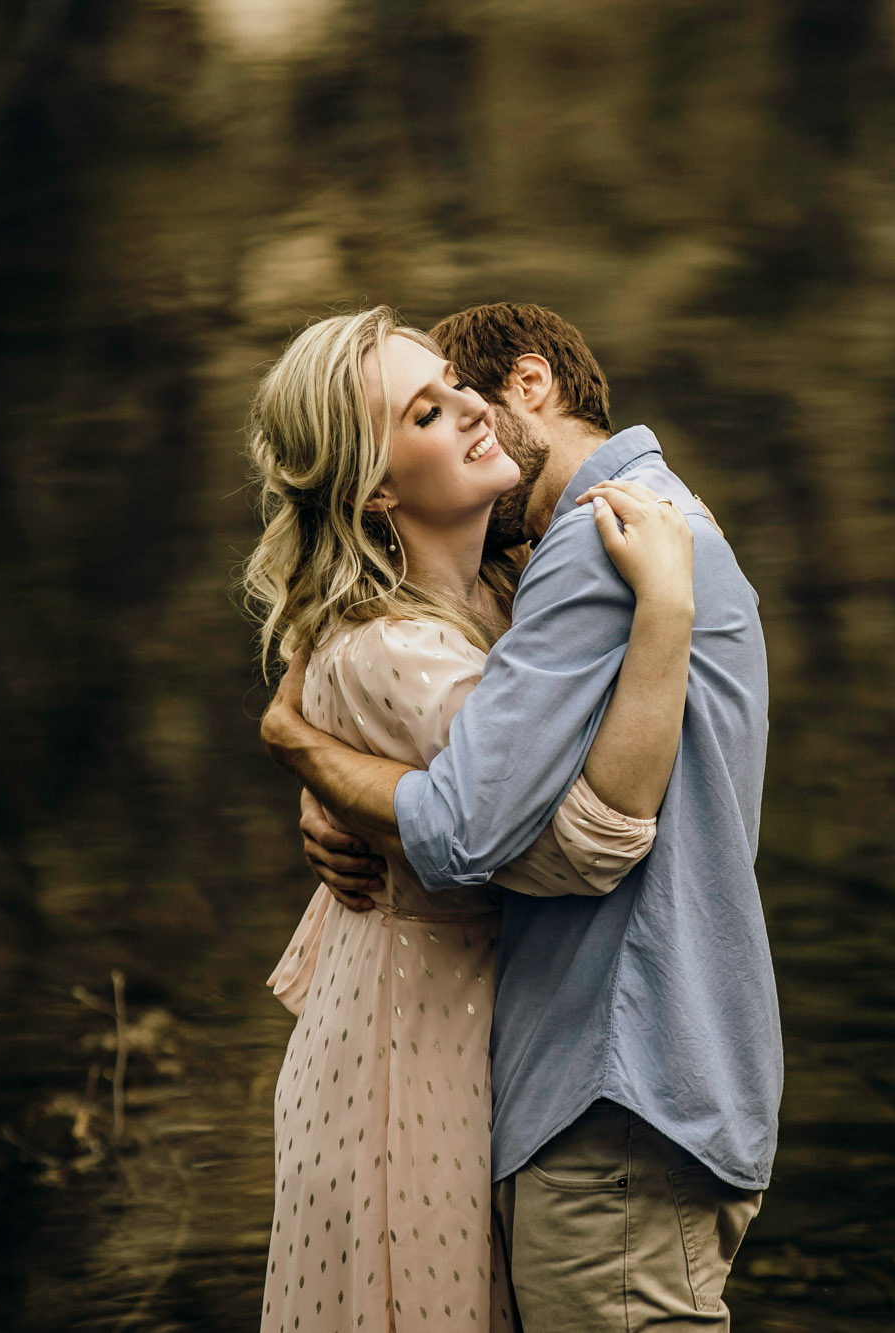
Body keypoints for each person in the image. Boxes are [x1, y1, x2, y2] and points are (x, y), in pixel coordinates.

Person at [260, 303, 780, 1330]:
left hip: (613, 1091)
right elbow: (447, 764)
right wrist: (337, 796)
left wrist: (304, 750)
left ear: (529, 387)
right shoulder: (606, 541)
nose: (465, 415)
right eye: (427, 406)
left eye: (462, 389)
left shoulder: (600, 545)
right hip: (590, 1084)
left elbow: (473, 831)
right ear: (371, 485)